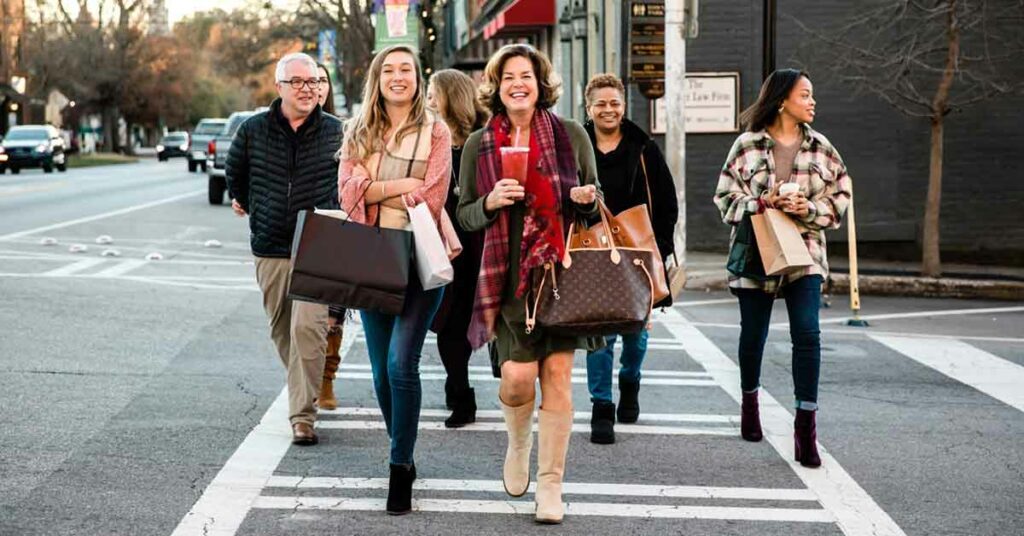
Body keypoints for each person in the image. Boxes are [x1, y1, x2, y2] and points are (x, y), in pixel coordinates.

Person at [457, 43, 600, 525]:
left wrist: (583, 199)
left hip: (561, 275)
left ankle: (551, 485)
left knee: (558, 377)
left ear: (541, 85)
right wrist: (492, 200)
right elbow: (465, 216)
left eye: (527, 76)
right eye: (509, 76)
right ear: (496, 86)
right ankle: (519, 442)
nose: (519, 83)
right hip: (509, 282)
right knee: (517, 380)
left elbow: (595, 206)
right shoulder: (480, 143)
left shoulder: (571, 135)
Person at [713, 69, 851, 468]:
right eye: (805, 95)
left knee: (807, 333)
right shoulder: (747, 146)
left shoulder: (822, 148)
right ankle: (750, 403)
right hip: (758, 251)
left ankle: (805, 427)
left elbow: (841, 193)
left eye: (812, 95)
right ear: (781, 101)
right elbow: (724, 198)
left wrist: (807, 208)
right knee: (753, 334)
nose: (812, 102)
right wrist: (763, 202)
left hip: (805, 253)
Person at [337, 44, 453, 515]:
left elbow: (433, 195)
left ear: (418, 78)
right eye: (389, 69)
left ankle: (399, 466)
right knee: (382, 370)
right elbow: (346, 192)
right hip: (371, 257)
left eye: (406, 69)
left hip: (420, 259)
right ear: (377, 78)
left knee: (403, 364)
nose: (398, 76)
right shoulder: (357, 131)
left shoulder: (436, 131)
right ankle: (399, 441)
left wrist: (375, 188)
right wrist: (399, 186)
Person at [225, 52, 343, 446]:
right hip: (270, 245)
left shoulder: (336, 132)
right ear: (280, 87)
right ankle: (303, 389)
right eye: (298, 82)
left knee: (308, 329)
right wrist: (251, 204)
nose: (308, 89)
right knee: (282, 331)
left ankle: (302, 417)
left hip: (319, 245)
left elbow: (348, 182)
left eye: (313, 82)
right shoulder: (252, 130)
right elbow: (235, 174)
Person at [581, 73, 678, 445]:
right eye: (600, 103)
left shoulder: (643, 148)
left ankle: (630, 380)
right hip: (591, 250)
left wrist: (661, 248)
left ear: (624, 106)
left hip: (637, 252)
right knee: (599, 334)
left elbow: (667, 203)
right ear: (588, 108)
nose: (608, 109)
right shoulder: (579, 146)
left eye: (614, 102)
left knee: (635, 335)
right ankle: (601, 407)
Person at [425, 69, 490, 428]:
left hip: (479, 241)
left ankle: (497, 382)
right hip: (440, 242)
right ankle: (459, 392)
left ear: (452, 96)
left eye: (434, 93)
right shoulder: (428, 138)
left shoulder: (483, 141)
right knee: (448, 320)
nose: (429, 99)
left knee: (477, 316)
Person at [312, 60, 345, 411]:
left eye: (322, 81)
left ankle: (327, 383)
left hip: (339, 228)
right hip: (305, 231)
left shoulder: (342, 130)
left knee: (334, 314)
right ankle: (306, 377)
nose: (317, 87)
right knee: (305, 315)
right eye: (310, 81)